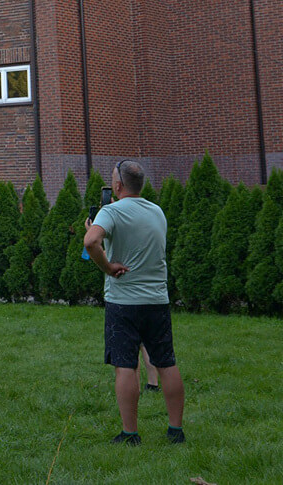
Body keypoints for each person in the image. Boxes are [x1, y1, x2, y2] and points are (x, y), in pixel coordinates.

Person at [83, 160, 186, 445]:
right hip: (157, 301)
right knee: (166, 363)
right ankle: (175, 431)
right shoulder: (157, 211)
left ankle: (130, 435)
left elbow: (91, 241)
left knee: (125, 366)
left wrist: (108, 267)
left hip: (123, 303)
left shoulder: (111, 211)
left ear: (117, 185)